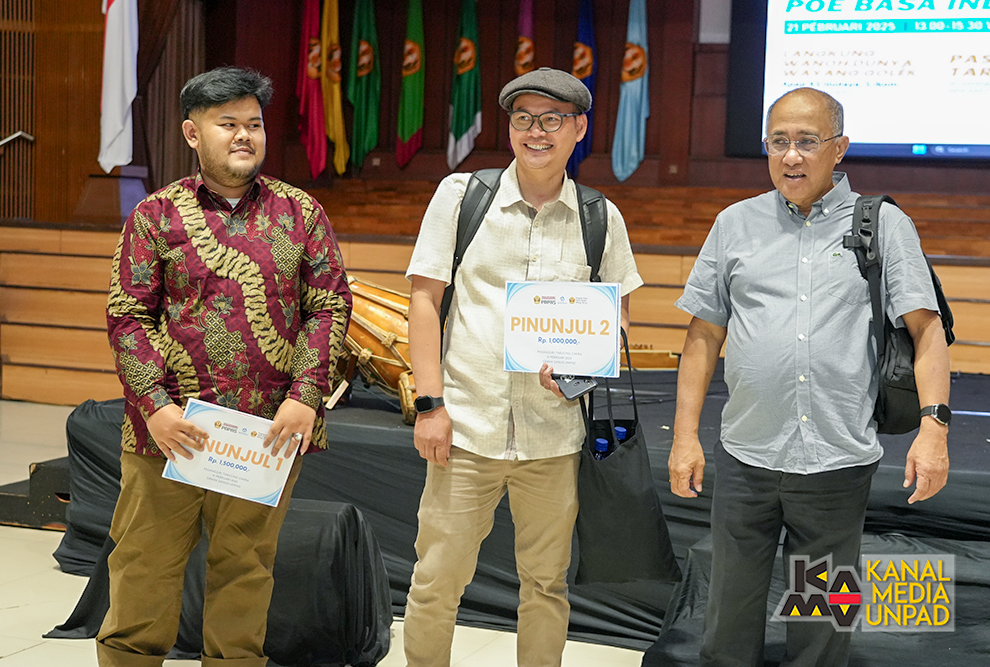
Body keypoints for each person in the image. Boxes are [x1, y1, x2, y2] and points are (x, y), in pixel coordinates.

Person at [668, 86, 951, 667]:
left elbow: (927, 331)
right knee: (729, 616)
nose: (791, 156)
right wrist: (684, 437)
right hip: (746, 458)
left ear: (838, 148)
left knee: (821, 623)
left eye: (806, 141)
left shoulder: (884, 224)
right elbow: (703, 338)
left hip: (836, 462)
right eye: (779, 142)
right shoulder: (734, 223)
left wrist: (934, 430)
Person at [98, 67, 351, 667]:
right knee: (144, 565)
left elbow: (329, 305)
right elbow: (127, 316)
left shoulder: (301, 212)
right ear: (193, 133)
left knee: (246, 567)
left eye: (254, 124)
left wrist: (305, 395)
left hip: (266, 430)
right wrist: (155, 406)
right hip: (171, 431)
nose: (244, 136)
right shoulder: (156, 215)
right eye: (227, 123)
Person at [402, 67, 642, 667]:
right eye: (523, 118)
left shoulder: (600, 216)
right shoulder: (462, 196)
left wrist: (579, 371)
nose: (537, 132)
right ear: (509, 127)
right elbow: (424, 301)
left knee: (546, 586)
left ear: (579, 128)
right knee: (436, 581)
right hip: (464, 429)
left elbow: (615, 322)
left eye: (552, 119)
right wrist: (430, 406)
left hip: (554, 439)